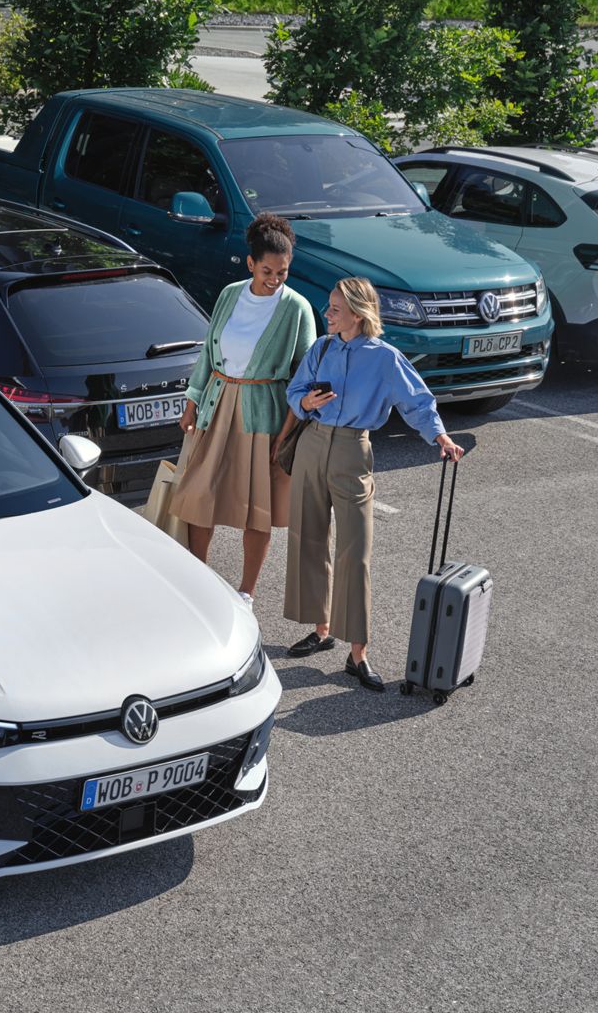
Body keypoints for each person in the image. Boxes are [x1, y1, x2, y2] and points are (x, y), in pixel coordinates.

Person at [276, 277, 465, 691]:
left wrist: (441, 437)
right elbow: (295, 391)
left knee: (355, 551)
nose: (327, 314)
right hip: (311, 444)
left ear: (359, 314)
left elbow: (418, 401)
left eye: (335, 309)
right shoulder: (322, 347)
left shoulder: (385, 358)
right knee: (307, 537)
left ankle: (357, 652)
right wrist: (305, 402)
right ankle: (321, 629)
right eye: (328, 307)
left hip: (351, 451)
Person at [171, 213, 316, 602]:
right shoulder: (230, 294)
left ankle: (245, 593)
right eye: (267, 269)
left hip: (263, 414)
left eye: (283, 271)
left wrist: (288, 431)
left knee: (257, 508)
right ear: (250, 263)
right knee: (198, 498)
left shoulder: (297, 308)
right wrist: (192, 399)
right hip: (216, 406)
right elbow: (208, 352)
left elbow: (304, 373)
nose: (275, 278)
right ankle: (198, 580)